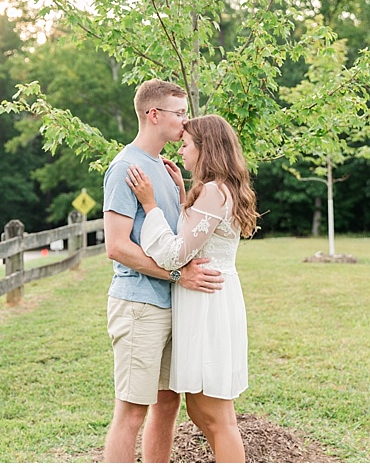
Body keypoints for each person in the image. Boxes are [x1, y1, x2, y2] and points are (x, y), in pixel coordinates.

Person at [101, 79, 224, 463]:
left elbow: (172, 235)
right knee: (132, 411)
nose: (185, 123)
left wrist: (181, 186)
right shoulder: (126, 167)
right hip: (140, 306)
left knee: (167, 404)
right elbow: (117, 247)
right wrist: (178, 276)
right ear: (154, 115)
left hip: (172, 306)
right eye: (179, 114)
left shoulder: (162, 168)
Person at [126, 114, 255, 462]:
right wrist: (184, 193)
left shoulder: (214, 191)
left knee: (216, 416)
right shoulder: (216, 190)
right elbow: (199, 233)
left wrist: (150, 204)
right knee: (202, 411)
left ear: (205, 148)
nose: (180, 151)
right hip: (210, 299)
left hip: (208, 304)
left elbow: (173, 254)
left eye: (186, 145)